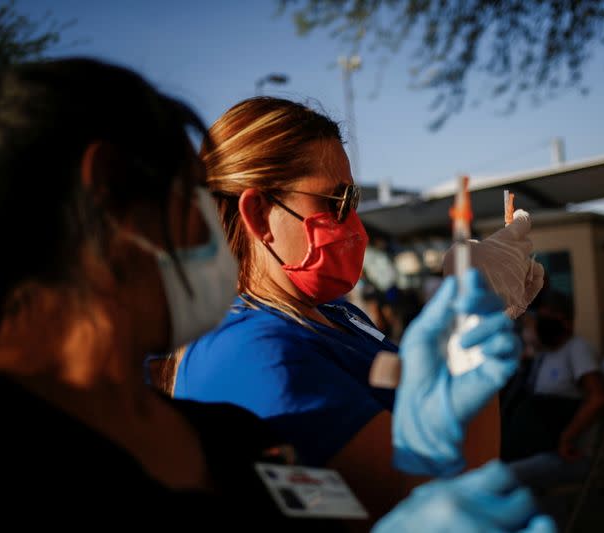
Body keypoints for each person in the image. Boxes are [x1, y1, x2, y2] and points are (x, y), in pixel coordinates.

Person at [0, 57, 555, 532]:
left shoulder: (221, 432)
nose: (208, 231)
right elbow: (430, 486)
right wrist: (474, 318)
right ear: (111, 199)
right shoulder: (246, 353)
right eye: (189, 201)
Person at [172, 96, 542, 518]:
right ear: (257, 213)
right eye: (335, 202)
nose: (354, 226)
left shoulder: (336, 315)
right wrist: (473, 320)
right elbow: (442, 497)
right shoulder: (249, 353)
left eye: (354, 201)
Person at [501, 290, 604, 486]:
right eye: (540, 317)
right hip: (534, 446)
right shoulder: (544, 354)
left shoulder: (577, 349)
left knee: (501, 478)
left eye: (549, 317)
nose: (541, 323)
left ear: (566, 321)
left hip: (563, 453)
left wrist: (568, 437)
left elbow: (598, 398)